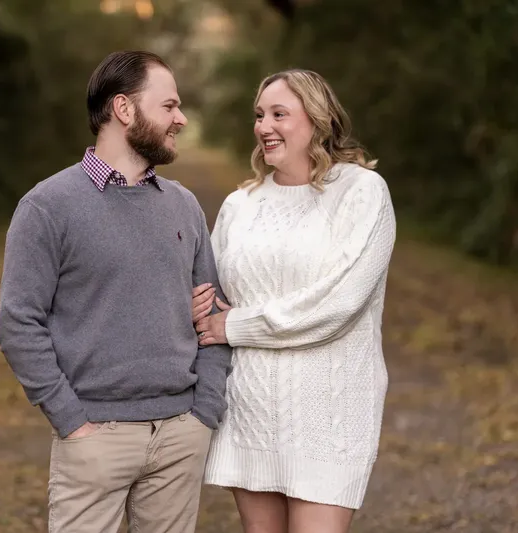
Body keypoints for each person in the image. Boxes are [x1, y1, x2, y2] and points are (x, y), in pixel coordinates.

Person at [0, 51, 232, 533]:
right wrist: (72, 422)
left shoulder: (184, 206)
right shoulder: (48, 207)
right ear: (124, 109)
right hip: (93, 437)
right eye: (169, 106)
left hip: (179, 435)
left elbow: (215, 315)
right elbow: (18, 323)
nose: (181, 119)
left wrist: (203, 413)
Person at [192, 69, 396, 533]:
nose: (264, 126)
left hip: (330, 415)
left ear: (317, 120)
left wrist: (236, 325)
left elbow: (339, 305)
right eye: (259, 115)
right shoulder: (239, 206)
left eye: (279, 114)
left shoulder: (362, 192)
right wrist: (199, 312)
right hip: (250, 412)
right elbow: (208, 298)